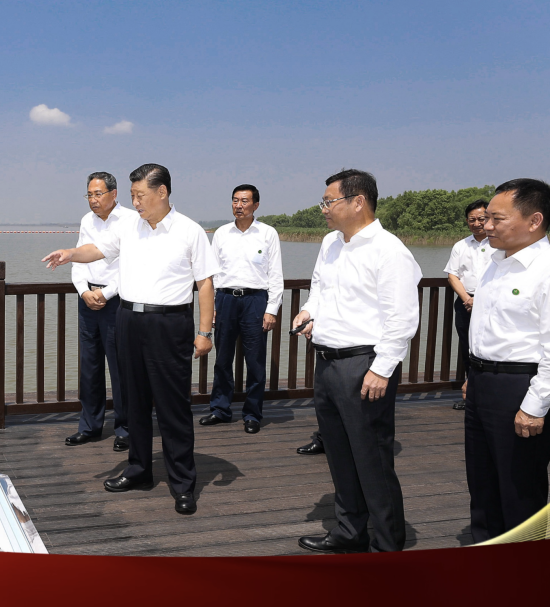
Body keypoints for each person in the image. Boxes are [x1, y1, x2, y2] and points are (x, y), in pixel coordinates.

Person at [43, 163, 217, 515]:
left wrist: (204, 332)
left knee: (172, 406)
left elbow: (205, 283)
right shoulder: (128, 228)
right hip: (128, 320)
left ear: (162, 192)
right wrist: (70, 254)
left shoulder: (190, 231)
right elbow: (97, 250)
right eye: (133, 196)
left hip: (169, 323)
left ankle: (183, 482)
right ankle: (138, 469)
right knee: (134, 400)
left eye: (140, 195)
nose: (135, 203)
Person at [292, 169, 422, 553]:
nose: (323, 209)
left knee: (372, 458)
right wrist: (308, 312)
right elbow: (319, 289)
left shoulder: (389, 250)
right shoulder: (331, 243)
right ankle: (350, 533)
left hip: (364, 365)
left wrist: (381, 369)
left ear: (358, 202)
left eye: (329, 201)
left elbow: (402, 318)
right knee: (339, 453)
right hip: (327, 362)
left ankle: (387, 546)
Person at [462, 178, 550, 543]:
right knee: (482, 481)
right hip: (482, 381)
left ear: (534, 221)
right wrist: (473, 374)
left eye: (497, 219)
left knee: (520, 486)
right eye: (486, 219)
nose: (487, 226)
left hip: (520, 386)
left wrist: (534, 406)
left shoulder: (544, 269)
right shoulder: (495, 263)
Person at [201, 184, 283, 434]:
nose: (239, 205)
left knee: (255, 361)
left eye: (244, 201)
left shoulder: (268, 233)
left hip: (255, 301)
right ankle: (220, 409)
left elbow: (275, 275)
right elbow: (212, 273)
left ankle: (252, 414)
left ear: (255, 205)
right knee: (222, 358)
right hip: (225, 299)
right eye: (235, 200)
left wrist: (272, 309)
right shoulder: (222, 233)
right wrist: (212, 307)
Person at [66, 171, 136, 450]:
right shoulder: (87, 220)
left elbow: (131, 265)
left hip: (116, 300)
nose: (93, 200)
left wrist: (105, 294)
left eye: (98, 194)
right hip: (88, 300)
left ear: (114, 194)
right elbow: (79, 259)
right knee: (89, 366)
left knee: (120, 368)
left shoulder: (131, 220)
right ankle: (90, 426)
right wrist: (84, 291)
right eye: (89, 195)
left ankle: (125, 429)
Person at [445, 200, 493, 410]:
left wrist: (480, 300)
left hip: (492, 303)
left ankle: (491, 395)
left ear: (489, 218)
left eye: (481, 218)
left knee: (491, 347)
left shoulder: (499, 243)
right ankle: (471, 396)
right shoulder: (460, 245)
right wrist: (467, 299)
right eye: (472, 219)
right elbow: (452, 275)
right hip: (466, 303)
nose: (477, 223)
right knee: (468, 348)